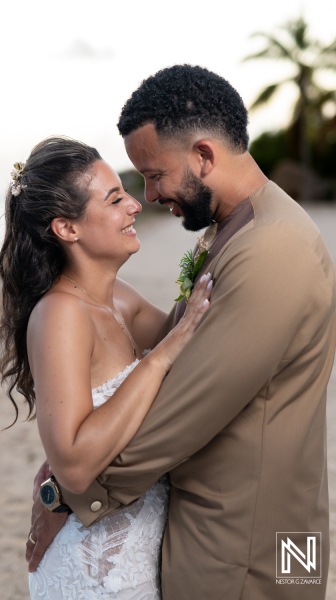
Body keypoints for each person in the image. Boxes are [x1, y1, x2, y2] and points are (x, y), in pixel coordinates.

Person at [27, 65, 336, 599]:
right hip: (263, 527)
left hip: (244, 543)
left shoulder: (271, 249)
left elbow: (183, 412)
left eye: (153, 174)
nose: (145, 196)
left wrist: (70, 496)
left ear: (203, 156)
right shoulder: (235, 231)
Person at [0, 135, 213, 599]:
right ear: (67, 229)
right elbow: (72, 465)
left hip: (138, 552)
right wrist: (163, 355)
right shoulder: (60, 315)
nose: (135, 204)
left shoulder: (119, 298)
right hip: (96, 571)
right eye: (114, 199)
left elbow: (198, 337)